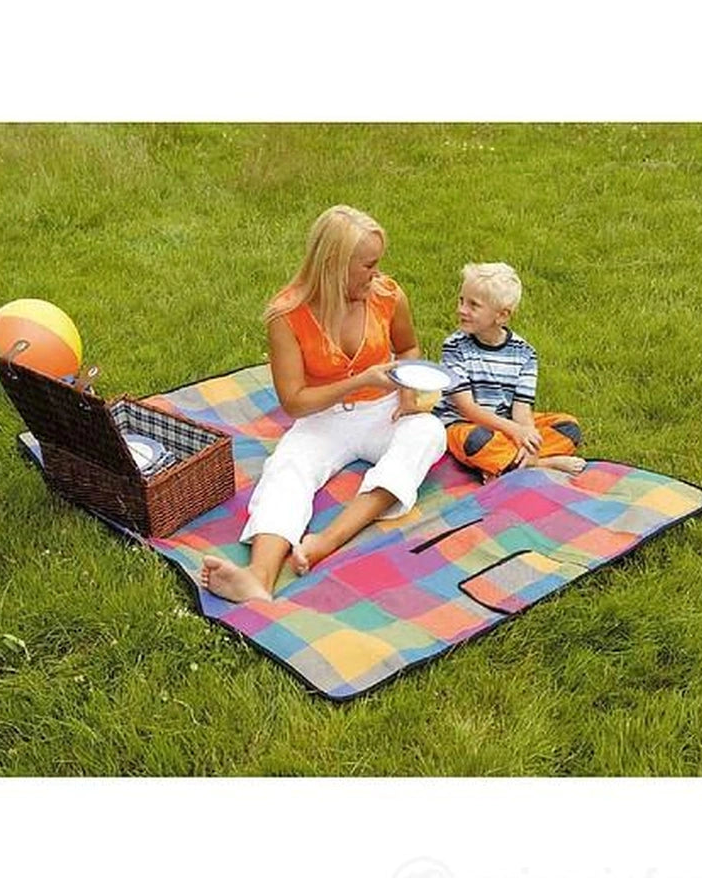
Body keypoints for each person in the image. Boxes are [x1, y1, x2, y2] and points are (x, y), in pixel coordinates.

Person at [200, 205, 446, 603]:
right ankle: (258, 577)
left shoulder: (387, 294)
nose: (377, 274)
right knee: (287, 467)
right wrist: (360, 380)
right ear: (333, 265)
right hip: (322, 417)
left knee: (429, 432)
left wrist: (405, 390)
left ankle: (326, 542)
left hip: (385, 411)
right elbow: (295, 403)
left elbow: (408, 348)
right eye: (368, 265)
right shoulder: (288, 314)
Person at [434, 262, 585, 482]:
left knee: (568, 426)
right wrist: (516, 432)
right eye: (461, 300)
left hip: (505, 425)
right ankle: (539, 464)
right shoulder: (454, 347)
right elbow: (467, 409)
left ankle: (510, 462)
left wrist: (528, 439)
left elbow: (522, 411)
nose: (461, 310)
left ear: (502, 316)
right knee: (473, 440)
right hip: (464, 423)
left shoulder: (525, 354)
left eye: (473, 305)